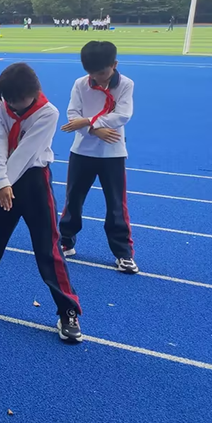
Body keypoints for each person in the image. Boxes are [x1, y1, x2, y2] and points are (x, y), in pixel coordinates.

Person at [0, 62, 83, 344]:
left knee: (47, 248)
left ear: (35, 92)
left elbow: (26, 153)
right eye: (8, 99)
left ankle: (68, 310)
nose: (12, 106)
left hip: (34, 181)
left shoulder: (48, 113)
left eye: (18, 100)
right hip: (2, 181)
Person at [59, 41, 137, 273]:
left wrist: (88, 121)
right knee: (73, 199)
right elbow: (72, 114)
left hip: (113, 153)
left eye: (101, 73)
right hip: (82, 151)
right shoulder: (80, 84)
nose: (96, 77)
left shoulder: (125, 84)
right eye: (91, 72)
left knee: (116, 204)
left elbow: (123, 115)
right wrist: (93, 129)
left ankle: (123, 253)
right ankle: (66, 241)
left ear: (114, 65)